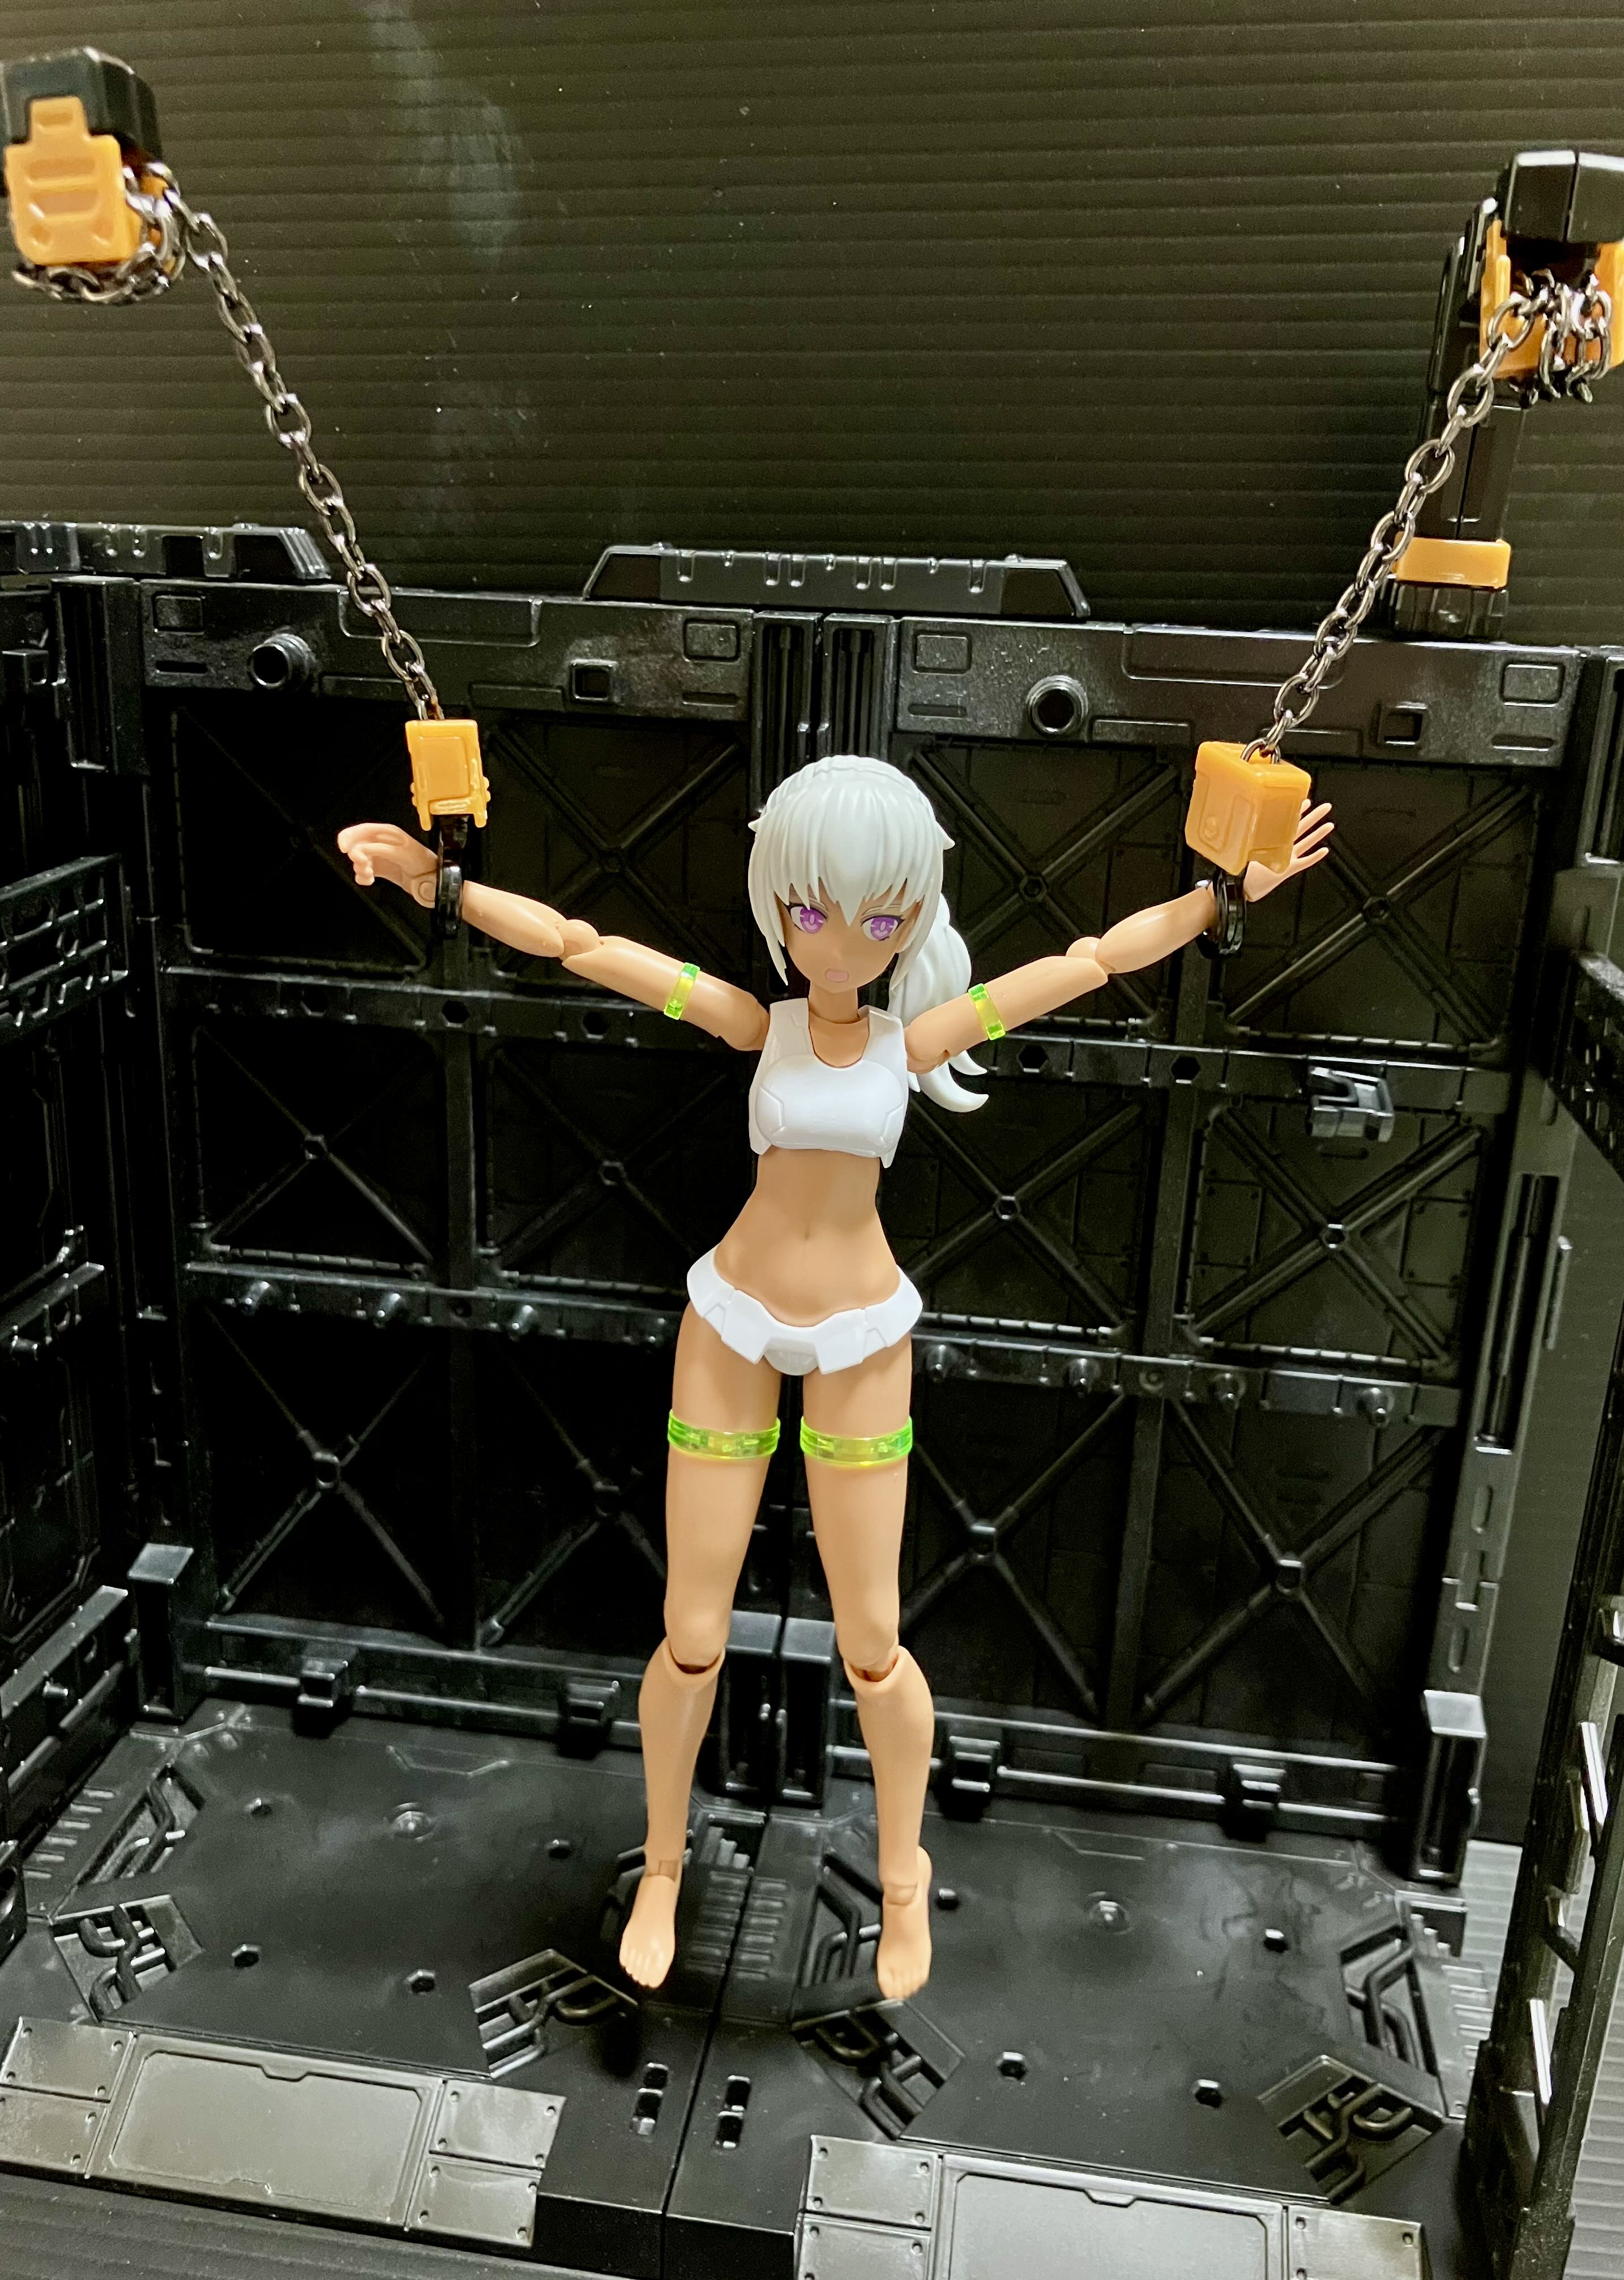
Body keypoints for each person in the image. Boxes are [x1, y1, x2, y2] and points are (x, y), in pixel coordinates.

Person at [337, 753, 1332, 2000]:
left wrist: (1216, 903)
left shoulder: (914, 1040)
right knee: (690, 1635)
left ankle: (904, 1881)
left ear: (912, 918)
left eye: (879, 916)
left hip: (863, 1330)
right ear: (778, 903)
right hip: (731, 1319)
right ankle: (663, 1865)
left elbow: (1086, 963)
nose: (843, 940)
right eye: (813, 910)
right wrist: (441, 886)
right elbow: (583, 947)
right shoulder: (756, 1022)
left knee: (873, 1644)